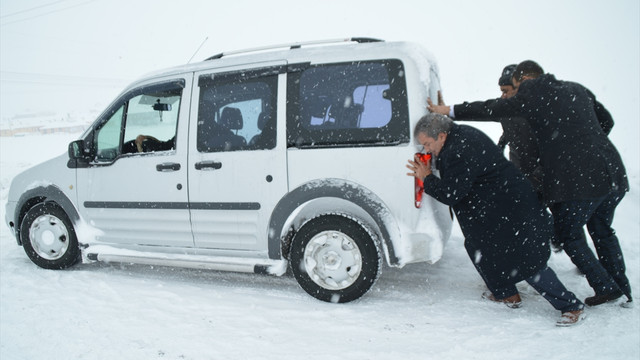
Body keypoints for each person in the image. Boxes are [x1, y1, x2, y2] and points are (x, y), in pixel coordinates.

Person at [427, 60, 631, 307]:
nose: (507, 95)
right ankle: (619, 286)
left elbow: (490, 109)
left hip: (572, 180)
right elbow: (606, 121)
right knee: (601, 230)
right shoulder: (575, 88)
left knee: (568, 234)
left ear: (523, 81)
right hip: (610, 172)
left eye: (511, 88)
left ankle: (604, 286)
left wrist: (448, 110)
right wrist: (586, 145)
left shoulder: (531, 96)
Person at [406, 113, 585, 326]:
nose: (426, 149)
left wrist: (426, 178)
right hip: (493, 209)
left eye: (427, 144)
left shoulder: (458, 151)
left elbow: (451, 194)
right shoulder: (459, 136)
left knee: (528, 261)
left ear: (442, 136)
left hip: (512, 208)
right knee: (477, 247)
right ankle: (506, 294)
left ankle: (571, 305)